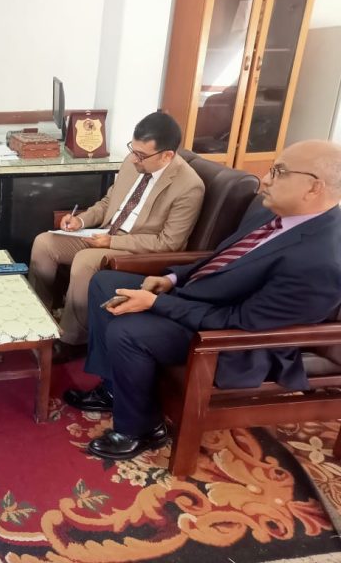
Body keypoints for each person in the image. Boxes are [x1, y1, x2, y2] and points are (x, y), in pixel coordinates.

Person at [68, 140, 341, 461]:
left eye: (279, 172)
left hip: (233, 342)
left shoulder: (320, 259)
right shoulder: (275, 212)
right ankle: (114, 389)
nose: (265, 179)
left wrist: (157, 304)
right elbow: (220, 258)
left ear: (314, 187)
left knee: (127, 331)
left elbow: (244, 321)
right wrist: (172, 279)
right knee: (106, 283)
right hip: (206, 301)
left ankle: (141, 429)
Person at [28, 112, 204, 364]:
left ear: (167, 156)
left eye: (141, 155)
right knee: (44, 243)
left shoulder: (189, 186)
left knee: (85, 261)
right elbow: (108, 203)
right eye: (133, 149)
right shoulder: (134, 163)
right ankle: (39, 321)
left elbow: (169, 243)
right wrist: (81, 221)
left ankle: (72, 340)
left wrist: (112, 242)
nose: (133, 158)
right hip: (106, 233)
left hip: (136, 248)